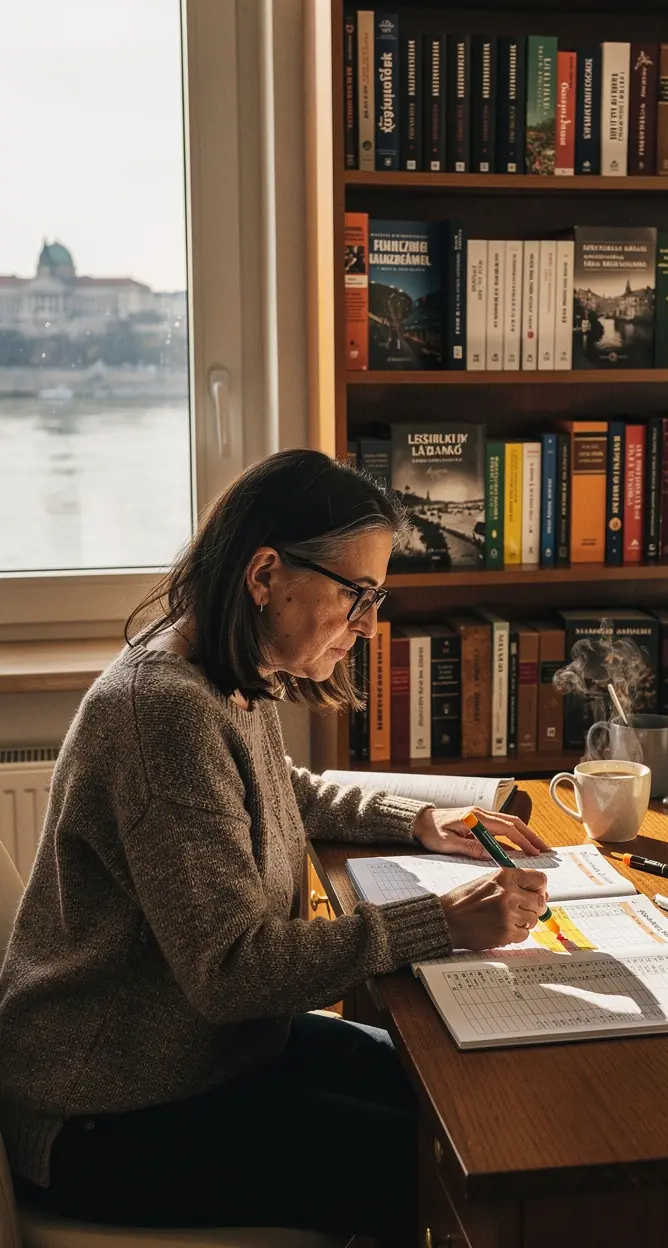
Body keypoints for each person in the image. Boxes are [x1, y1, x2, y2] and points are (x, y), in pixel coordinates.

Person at [0, 449, 549, 1246]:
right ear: (265, 575)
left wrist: (417, 820)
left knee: (452, 1100)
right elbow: (232, 972)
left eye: (377, 596)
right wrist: (442, 922)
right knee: (440, 1167)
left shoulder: (217, 673)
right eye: (356, 595)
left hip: (212, 1059)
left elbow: (279, 789)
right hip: (106, 1109)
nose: (368, 623)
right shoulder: (162, 713)